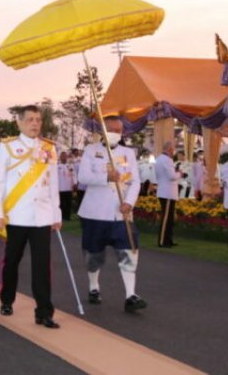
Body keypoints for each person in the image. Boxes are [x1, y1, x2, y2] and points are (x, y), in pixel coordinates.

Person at [0, 105, 62, 328]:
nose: (35, 124)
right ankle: (7, 299)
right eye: (30, 119)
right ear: (19, 122)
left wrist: (56, 213)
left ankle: (44, 311)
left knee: (42, 265)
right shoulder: (7, 146)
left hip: (41, 216)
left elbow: (53, 183)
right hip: (16, 215)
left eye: (38, 120)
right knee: (11, 261)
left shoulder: (48, 148)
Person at [77, 115, 146, 313]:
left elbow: (135, 181)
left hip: (121, 213)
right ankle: (93, 287)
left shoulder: (128, 153)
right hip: (95, 213)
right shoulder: (91, 151)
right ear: (102, 131)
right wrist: (105, 176)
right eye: (111, 130)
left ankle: (131, 295)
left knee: (129, 251)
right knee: (94, 254)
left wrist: (129, 202)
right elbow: (83, 177)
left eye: (119, 130)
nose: (116, 133)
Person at [155, 141, 181, 248]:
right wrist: (180, 173)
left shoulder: (159, 159)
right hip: (167, 192)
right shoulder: (167, 160)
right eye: (172, 149)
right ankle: (162, 241)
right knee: (166, 219)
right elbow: (172, 176)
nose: (173, 152)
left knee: (169, 218)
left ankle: (168, 240)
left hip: (165, 191)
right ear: (169, 149)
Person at [56, 151, 76, 221]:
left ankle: (67, 216)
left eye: (65, 156)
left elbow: (73, 174)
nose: (64, 157)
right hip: (60, 188)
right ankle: (61, 217)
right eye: (62, 156)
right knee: (61, 203)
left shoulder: (70, 165)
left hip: (68, 187)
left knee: (68, 203)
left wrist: (75, 183)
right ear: (60, 157)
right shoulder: (57, 166)